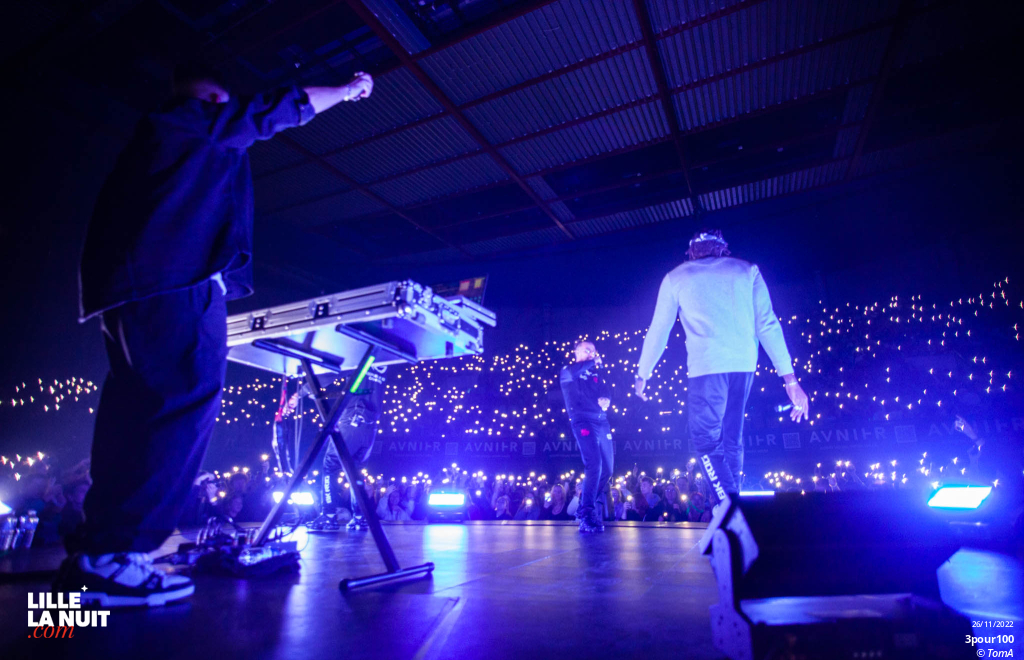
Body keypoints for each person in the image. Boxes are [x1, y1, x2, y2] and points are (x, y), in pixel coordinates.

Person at [57, 61, 375, 607]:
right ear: (209, 93)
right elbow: (274, 111)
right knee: (179, 409)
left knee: (136, 412)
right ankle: (120, 556)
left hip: (131, 292)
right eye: (222, 97)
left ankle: (100, 552)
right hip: (175, 285)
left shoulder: (158, 138)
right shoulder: (191, 119)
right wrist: (346, 92)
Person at [635, 229, 808, 507]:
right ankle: (732, 501)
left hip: (707, 368)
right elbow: (767, 324)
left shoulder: (676, 277)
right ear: (723, 249)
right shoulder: (747, 270)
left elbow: (660, 329)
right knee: (732, 438)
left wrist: (643, 372)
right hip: (744, 366)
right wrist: (790, 379)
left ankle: (728, 506)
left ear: (691, 251)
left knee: (705, 443)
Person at [312, 364, 388, 531]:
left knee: (330, 464)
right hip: (370, 427)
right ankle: (359, 516)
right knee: (355, 471)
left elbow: (333, 373)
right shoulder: (385, 359)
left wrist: (305, 389)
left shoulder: (362, 356)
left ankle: (329, 515)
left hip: (353, 419)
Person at [559, 341, 614, 533]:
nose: (591, 353)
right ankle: (588, 513)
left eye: (593, 351)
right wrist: (594, 362)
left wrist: (607, 398)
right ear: (576, 352)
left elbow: (605, 389)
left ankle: (583, 505)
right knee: (594, 464)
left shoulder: (597, 372)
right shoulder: (567, 371)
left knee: (607, 469)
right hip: (583, 421)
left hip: (602, 421)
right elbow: (571, 373)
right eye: (586, 350)